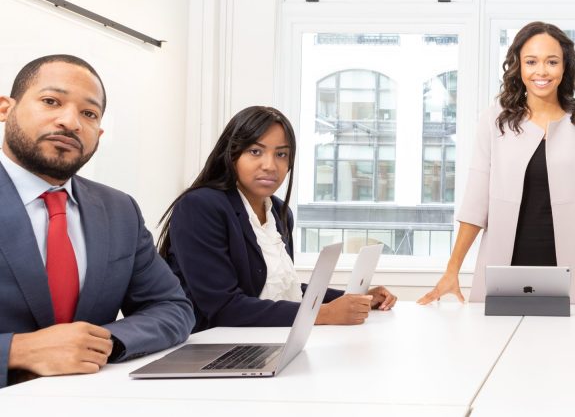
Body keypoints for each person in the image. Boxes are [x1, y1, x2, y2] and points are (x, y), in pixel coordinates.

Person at [0, 55, 194, 388]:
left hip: (95, 397)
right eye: (51, 101)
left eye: (88, 114)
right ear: (5, 108)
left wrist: (101, 343)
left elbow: (172, 307)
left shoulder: (119, 210)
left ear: (99, 132)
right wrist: (15, 351)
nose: (70, 121)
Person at [418, 22, 575, 305]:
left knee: (573, 348)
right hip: (504, 269)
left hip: (568, 269)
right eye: (531, 62)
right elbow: (476, 201)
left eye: (552, 62)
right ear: (518, 67)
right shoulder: (494, 120)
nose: (541, 71)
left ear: (565, 66)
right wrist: (452, 269)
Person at [158, 106, 396, 332]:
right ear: (231, 156)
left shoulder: (279, 212)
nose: (270, 165)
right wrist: (323, 314)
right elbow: (223, 308)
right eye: (255, 151)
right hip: (207, 347)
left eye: (281, 154)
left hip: (260, 339)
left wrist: (352, 299)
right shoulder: (201, 206)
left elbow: (281, 290)